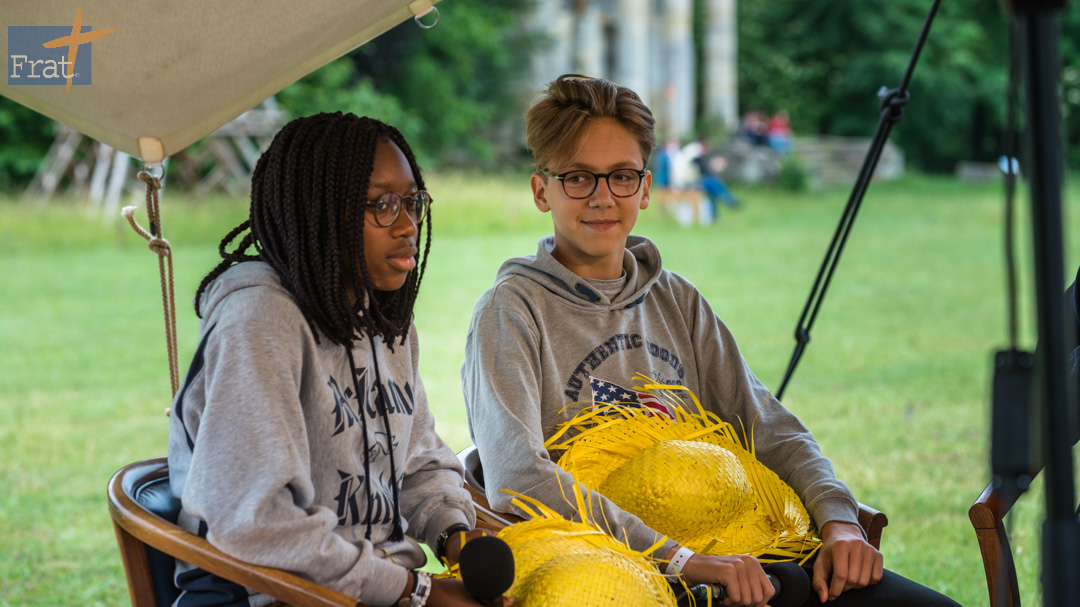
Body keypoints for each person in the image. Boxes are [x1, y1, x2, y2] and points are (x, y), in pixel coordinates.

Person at [461, 75, 960, 607]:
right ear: (542, 191)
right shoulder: (511, 313)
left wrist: (839, 521)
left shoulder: (676, 300)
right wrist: (681, 559)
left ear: (645, 188)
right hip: (621, 575)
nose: (603, 197)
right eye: (579, 177)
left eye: (622, 176)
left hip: (751, 552)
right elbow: (519, 478)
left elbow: (768, 425)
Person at [168, 112, 508, 607]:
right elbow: (256, 524)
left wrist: (456, 534)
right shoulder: (259, 320)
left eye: (413, 202)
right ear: (319, 211)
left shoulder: (386, 320)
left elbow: (419, 463)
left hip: (376, 587)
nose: (409, 225)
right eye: (383, 205)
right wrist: (421, 593)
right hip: (265, 594)